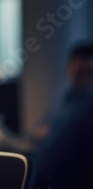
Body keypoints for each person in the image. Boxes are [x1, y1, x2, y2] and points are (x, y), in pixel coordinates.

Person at [32, 42, 93, 188]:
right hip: (41, 167)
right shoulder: (65, 94)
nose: (84, 78)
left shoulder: (88, 104)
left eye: (89, 73)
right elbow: (40, 128)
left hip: (68, 177)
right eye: (80, 72)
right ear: (70, 67)